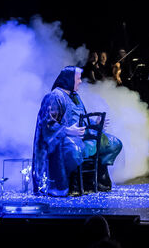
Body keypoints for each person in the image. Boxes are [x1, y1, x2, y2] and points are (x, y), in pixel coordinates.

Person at [31, 67, 124, 197]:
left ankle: (96, 180)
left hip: (81, 136)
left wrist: (95, 123)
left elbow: (81, 119)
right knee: (75, 149)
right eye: (78, 79)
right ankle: (72, 183)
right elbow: (47, 124)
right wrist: (68, 131)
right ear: (69, 79)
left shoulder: (75, 96)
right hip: (62, 140)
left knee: (114, 144)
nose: (80, 81)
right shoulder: (55, 96)